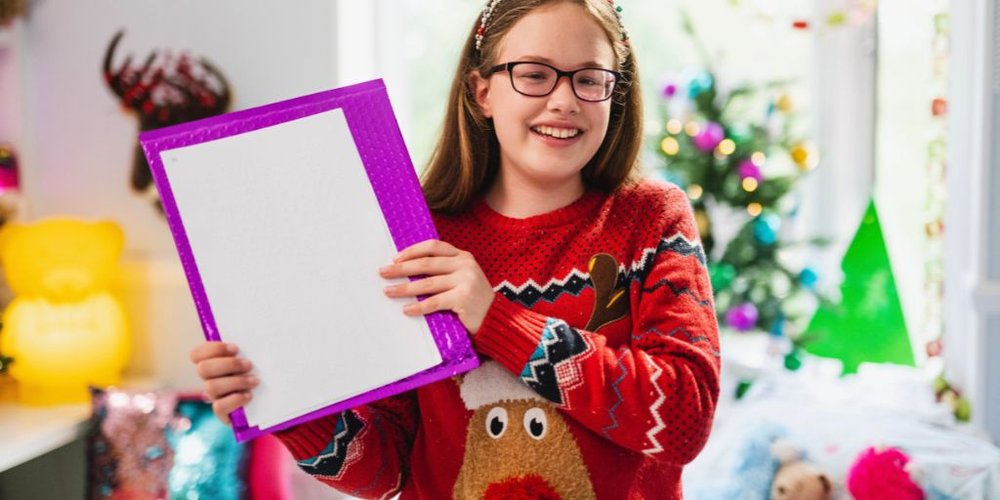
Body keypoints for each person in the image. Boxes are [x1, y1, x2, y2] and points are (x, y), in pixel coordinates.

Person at [190, 0, 721, 498]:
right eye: (534, 74)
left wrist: (494, 318)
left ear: (614, 93)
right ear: (482, 90)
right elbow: (387, 469)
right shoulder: (413, 239)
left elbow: (682, 421)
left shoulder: (651, 218)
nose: (565, 99)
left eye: (589, 79)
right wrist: (282, 403)